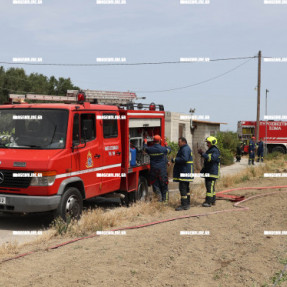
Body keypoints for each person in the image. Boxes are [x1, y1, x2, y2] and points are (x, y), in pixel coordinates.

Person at [143, 135, 171, 203]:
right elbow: (169, 150)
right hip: (162, 171)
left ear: (153, 141)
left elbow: (144, 148)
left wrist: (145, 142)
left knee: (156, 186)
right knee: (164, 186)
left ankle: (159, 201)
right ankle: (165, 202)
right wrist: (166, 144)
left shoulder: (150, 149)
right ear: (160, 140)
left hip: (154, 171)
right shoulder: (163, 149)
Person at [171, 137, 194, 211]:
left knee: (183, 188)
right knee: (186, 188)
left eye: (179, 142)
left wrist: (174, 160)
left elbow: (184, 159)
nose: (178, 143)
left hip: (185, 171)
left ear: (183, 142)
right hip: (185, 171)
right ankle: (187, 204)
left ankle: (184, 205)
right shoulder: (185, 148)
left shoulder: (185, 149)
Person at [198, 136, 220, 207]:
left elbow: (211, 159)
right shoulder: (210, 150)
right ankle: (213, 200)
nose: (207, 144)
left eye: (208, 142)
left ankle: (208, 202)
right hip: (209, 172)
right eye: (207, 142)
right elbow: (207, 162)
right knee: (211, 188)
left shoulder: (215, 151)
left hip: (212, 172)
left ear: (213, 143)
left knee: (209, 187)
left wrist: (203, 154)